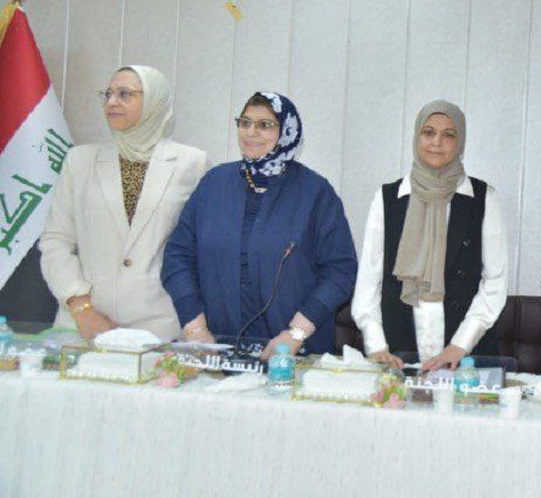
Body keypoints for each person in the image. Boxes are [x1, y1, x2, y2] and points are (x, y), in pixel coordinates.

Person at [162, 92, 357, 358]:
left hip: (293, 352)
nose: (251, 132)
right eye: (245, 122)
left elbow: (340, 271)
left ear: (287, 131)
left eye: (265, 125)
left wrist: (297, 333)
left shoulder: (315, 192)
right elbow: (177, 257)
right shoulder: (213, 184)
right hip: (216, 349)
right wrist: (195, 330)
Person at [40, 65, 209, 341]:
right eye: (108, 93)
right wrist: (82, 308)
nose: (112, 102)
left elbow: (196, 251)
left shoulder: (192, 163)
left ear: (154, 101)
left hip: (160, 326)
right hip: (83, 324)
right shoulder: (79, 160)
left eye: (125, 94)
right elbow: (55, 240)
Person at [351, 100, 508, 371]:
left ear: (461, 142)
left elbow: (495, 281)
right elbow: (369, 277)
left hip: (464, 355)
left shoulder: (483, 199)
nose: (437, 142)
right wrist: (376, 346)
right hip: (397, 352)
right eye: (428, 132)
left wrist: (460, 344)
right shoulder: (388, 198)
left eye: (449, 134)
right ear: (416, 137)